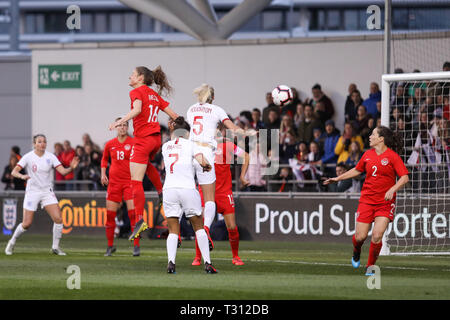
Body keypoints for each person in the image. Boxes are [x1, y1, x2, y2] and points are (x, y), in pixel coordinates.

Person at [324, 126, 409, 275]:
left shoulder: (392, 156)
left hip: (385, 202)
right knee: (360, 236)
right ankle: (356, 251)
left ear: (381, 139)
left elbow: (404, 178)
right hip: (367, 200)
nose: (370, 136)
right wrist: (337, 178)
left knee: (377, 235)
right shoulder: (367, 155)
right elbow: (357, 170)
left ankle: (370, 266)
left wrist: (392, 189)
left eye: (373, 134)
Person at [109, 66, 179, 240]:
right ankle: (161, 192)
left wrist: (120, 122)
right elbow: (174, 115)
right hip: (155, 140)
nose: (130, 76)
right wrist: (183, 130)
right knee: (145, 166)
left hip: (143, 140)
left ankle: (140, 220)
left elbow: (138, 109)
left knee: (135, 182)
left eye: (132, 74)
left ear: (140, 77)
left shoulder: (137, 92)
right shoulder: (154, 95)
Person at [185, 83, 253, 243]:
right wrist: (246, 132)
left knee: (189, 191)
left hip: (191, 152)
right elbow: (234, 129)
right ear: (213, 97)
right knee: (209, 200)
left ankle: (182, 222)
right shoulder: (217, 111)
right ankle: (206, 229)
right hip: (206, 153)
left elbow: (190, 127)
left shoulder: (191, 109)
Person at [5, 134, 80, 256]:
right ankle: (12, 242)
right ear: (34, 144)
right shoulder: (28, 157)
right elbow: (14, 171)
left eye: (44, 141)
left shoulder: (51, 157)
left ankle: (55, 247)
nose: (42, 144)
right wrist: (22, 176)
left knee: (58, 219)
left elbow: (63, 171)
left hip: (46, 191)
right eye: (39, 142)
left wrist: (71, 168)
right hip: (32, 192)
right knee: (26, 223)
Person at [161, 117, 217, 274]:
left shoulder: (165, 146)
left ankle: (171, 263)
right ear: (187, 133)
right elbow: (204, 163)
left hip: (169, 189)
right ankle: (207, 263)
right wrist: (206, 167)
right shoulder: (191, 145)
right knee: (198, 227)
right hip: (187, 189)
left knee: (173, 229)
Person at [192, 122, 249, 266]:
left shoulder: (228, 146)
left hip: (224, 192)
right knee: (202, 225)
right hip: (205, 190)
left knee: (231, 226)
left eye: (218, 130)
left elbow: (246, 156)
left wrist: (242, 176)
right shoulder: (201, 147)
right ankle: (198, 257)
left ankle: (235, 257)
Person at [101, 118, 141, 256]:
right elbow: (104, 159)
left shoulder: (134, 142)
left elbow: (140, 159)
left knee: (133, 215)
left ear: (127, 127)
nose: (122, 127)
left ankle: (136, 246)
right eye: (120, 125)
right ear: (115, 128)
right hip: (113, 183)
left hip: (129, 182)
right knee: (110, 216)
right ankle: (110, 246)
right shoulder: (110, 144)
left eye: (125, 125)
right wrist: (102, 174)